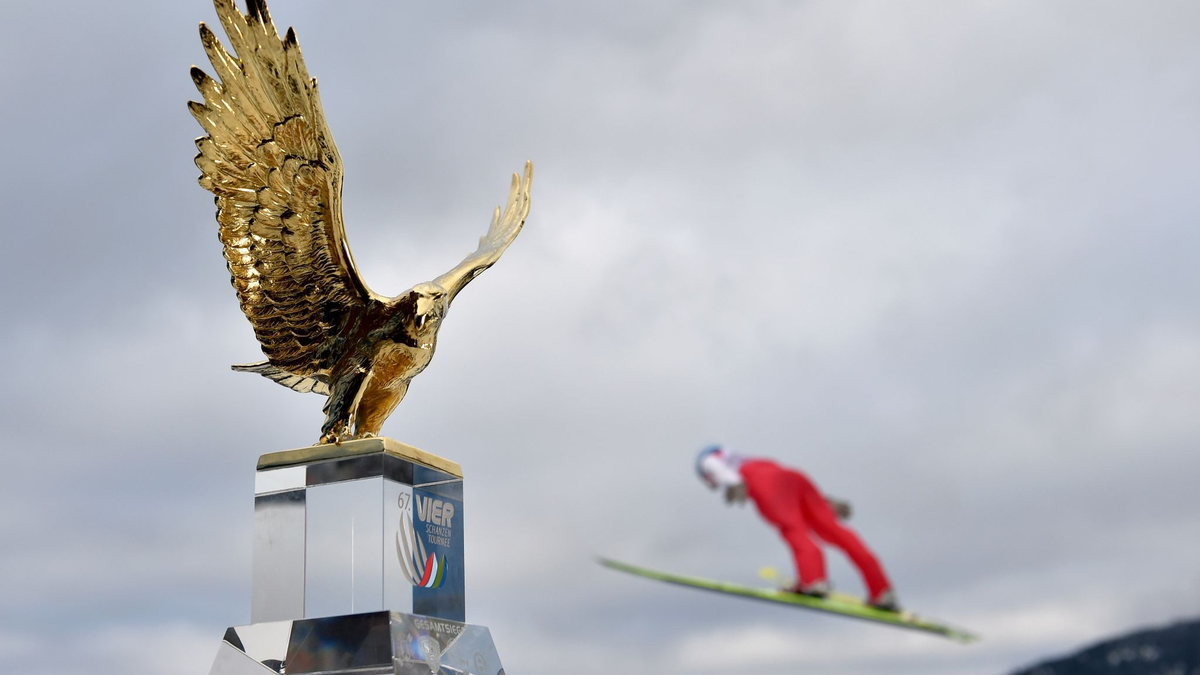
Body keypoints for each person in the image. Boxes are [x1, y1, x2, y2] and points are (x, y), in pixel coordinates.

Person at [696, 444, 900, 611]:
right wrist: (822, 502)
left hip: (766, 485)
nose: (713, 486)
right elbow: (786, 483)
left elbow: (714, 466)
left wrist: (733, 482)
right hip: (794, 477)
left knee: (792, 529)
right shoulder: (744, 456)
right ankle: (882, 591)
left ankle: (813, 581)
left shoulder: (710, 458)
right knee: (835, 531)